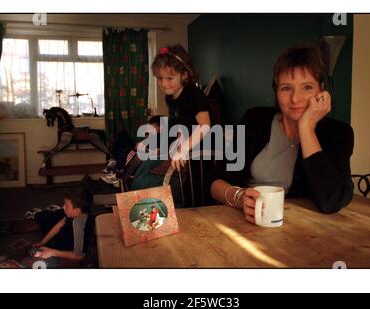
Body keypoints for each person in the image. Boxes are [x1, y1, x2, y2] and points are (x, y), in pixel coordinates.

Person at [210, 43, 354, 221]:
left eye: (307, 87)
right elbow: (216, 183)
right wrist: (240, 198)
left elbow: (331, 202)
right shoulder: (253, 119)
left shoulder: (338, 133)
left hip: (304, 231)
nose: (295, 98)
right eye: (286, 88)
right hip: (243, 222)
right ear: (276, 91)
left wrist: (306, 128)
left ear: (321, 90)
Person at [151, 45, 211, 172]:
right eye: (160, 78)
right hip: (186, 148)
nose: (164, 83)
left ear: (184, 75)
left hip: (203, 152)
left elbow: (204, 126)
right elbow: (180, 127)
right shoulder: (170, 98)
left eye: (169, 78)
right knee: (147, 166)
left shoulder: (194, 94)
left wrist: (183, 149)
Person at [32, 189, 93, 262]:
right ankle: (50, 211)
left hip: (67, 235)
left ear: (77, 210)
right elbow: (61, 223)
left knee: (45, 229)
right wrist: (43, 242)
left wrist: (52, 252)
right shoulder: (77, 213)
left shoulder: (80, 228)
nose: (63, 206)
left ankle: (51, 212)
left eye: (66, 205)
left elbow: (79, 256)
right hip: (66, 216)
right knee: (39, 216)